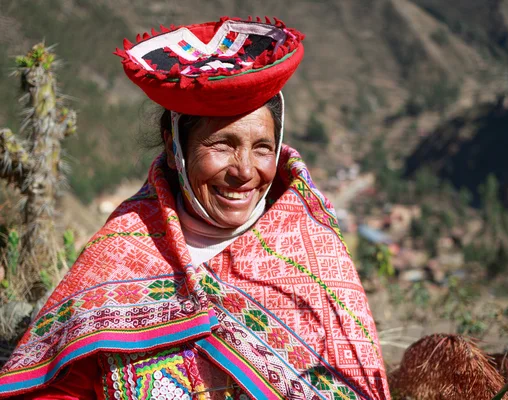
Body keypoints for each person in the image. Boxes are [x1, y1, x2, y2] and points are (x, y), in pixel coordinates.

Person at [0, 17, 390, 399]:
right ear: (174, 149)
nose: (244, 171)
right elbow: (60, 387)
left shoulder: (317, 263)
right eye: (221, 145)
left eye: (262, 148)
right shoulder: (119, 255)